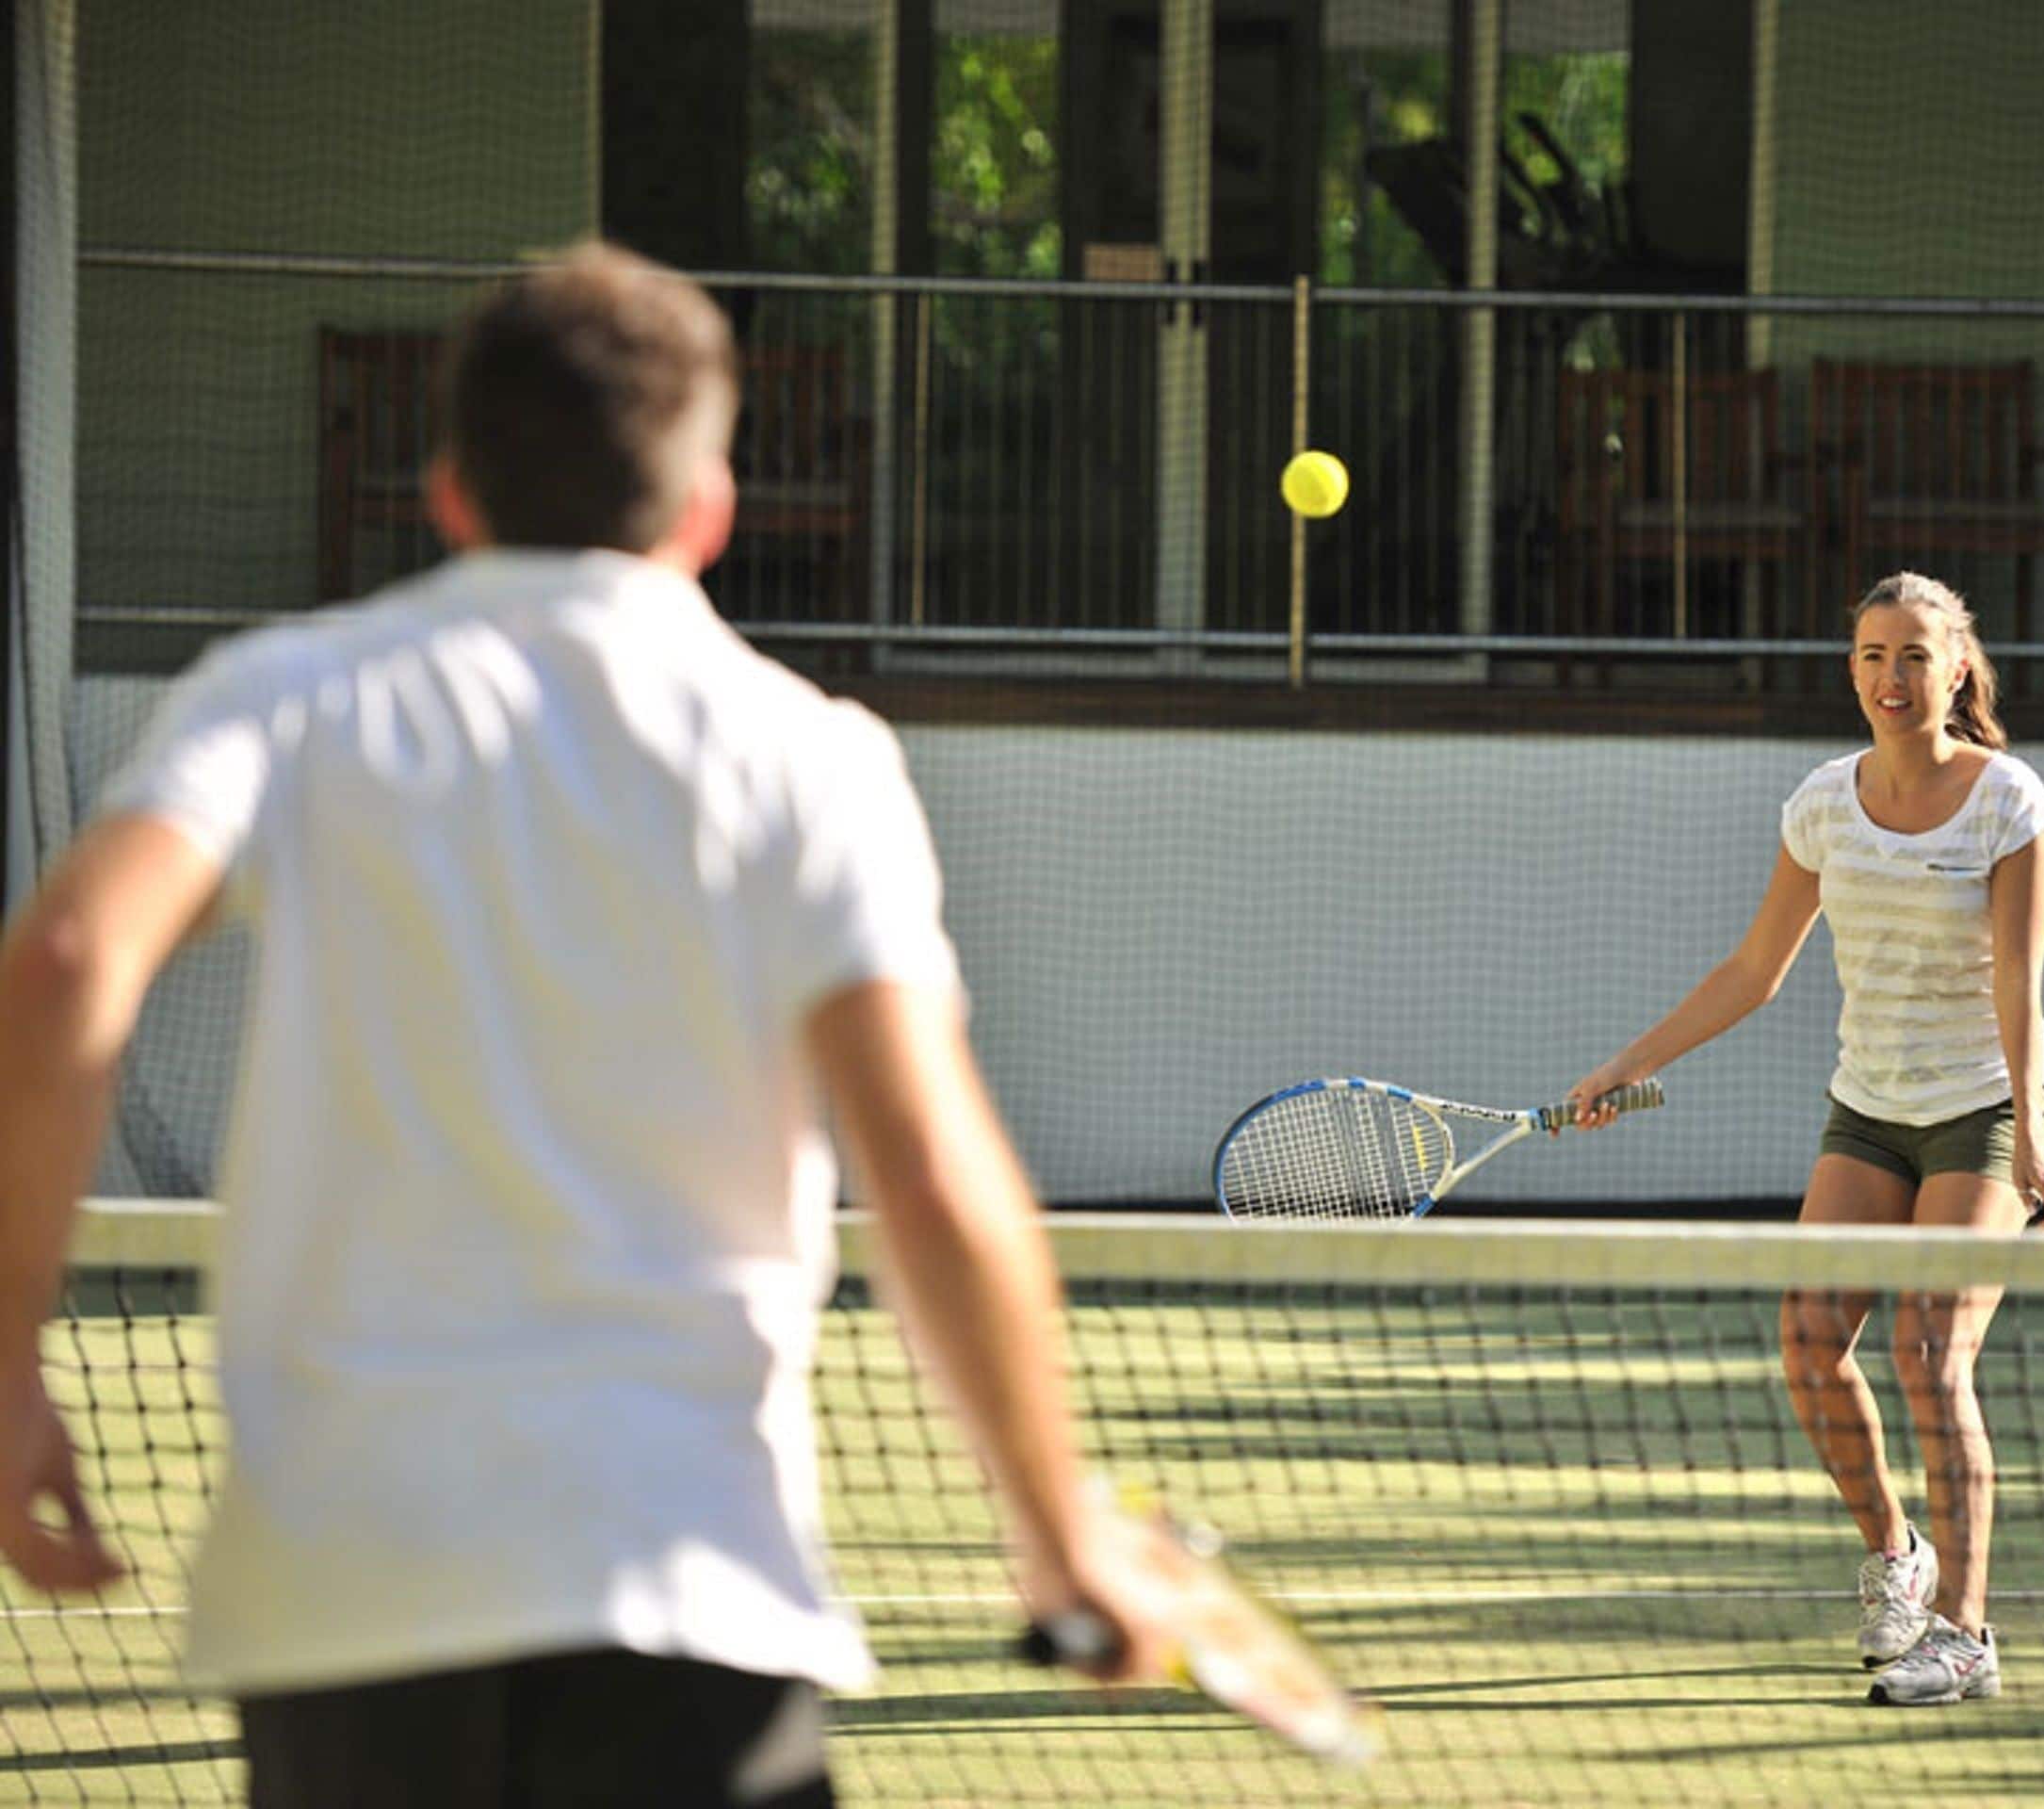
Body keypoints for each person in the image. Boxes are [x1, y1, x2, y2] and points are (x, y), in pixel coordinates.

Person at [0, 241, 1169, 1804]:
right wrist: (1057, 1527)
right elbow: (930, 1176)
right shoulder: (811, 756)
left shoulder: (282, 693)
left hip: (342, 1594)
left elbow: (68, 954)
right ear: (711, 507)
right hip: (683, 1585)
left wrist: (5, 1358)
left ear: (450, 493)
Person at [1566, 570, 2044, 1708]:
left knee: (1930, 1357)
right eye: (1873, 656)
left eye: (1915, 657)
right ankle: (1898, 1555)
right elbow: (1754, 970)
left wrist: (2034, 1137)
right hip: (1869, 1111)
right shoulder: (1822, 805)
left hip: (1982, 1111)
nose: (1893, 678)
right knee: (1807, 1341)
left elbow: (2019, 982)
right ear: (1852, 671)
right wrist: (1627, 1065)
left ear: (1957, 671)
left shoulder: (2010, 803)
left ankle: (1967, 1634)